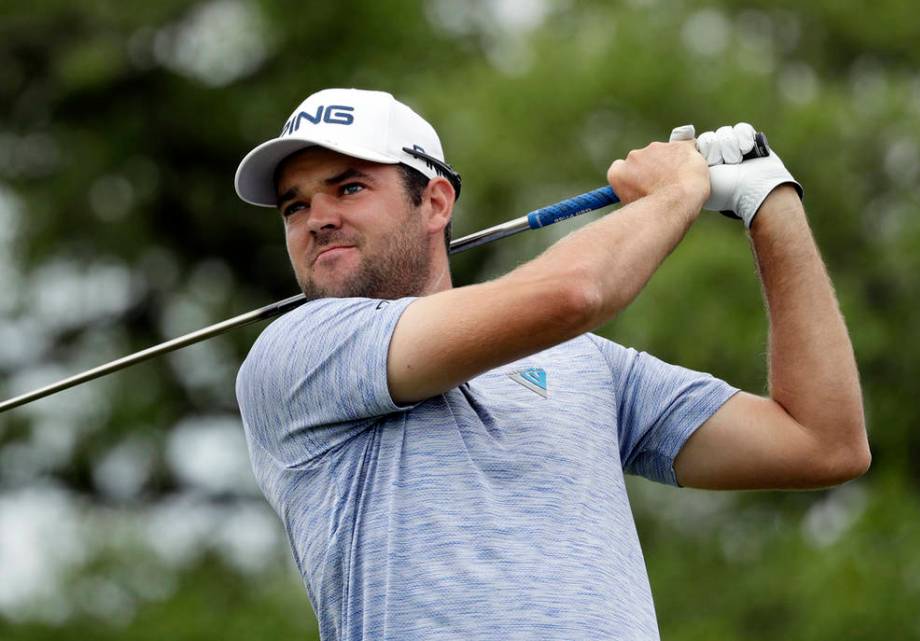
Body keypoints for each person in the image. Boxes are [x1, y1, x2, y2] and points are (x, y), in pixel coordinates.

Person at [233, 88, 870, 641]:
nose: (317, 220)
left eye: (348, 187)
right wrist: (674, 194)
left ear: (434, 203)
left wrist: (770, 202)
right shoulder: (296, 354)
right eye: (295, 206)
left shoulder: (583, 365)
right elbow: (575, 294)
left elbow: (822, 443)